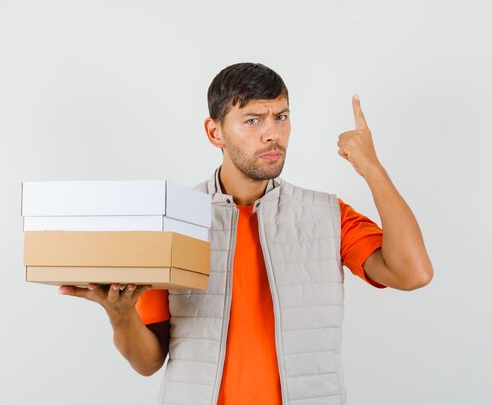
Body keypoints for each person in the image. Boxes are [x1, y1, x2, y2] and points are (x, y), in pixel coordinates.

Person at [58, 62, 434, 405]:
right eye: (253, 120)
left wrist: (371, 168)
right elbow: (148, 361)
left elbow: (413, 272)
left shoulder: (327, 215)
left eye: (281, 117)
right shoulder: (172, 221)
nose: (273, 134)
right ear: (214, 132)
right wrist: (121, 316)